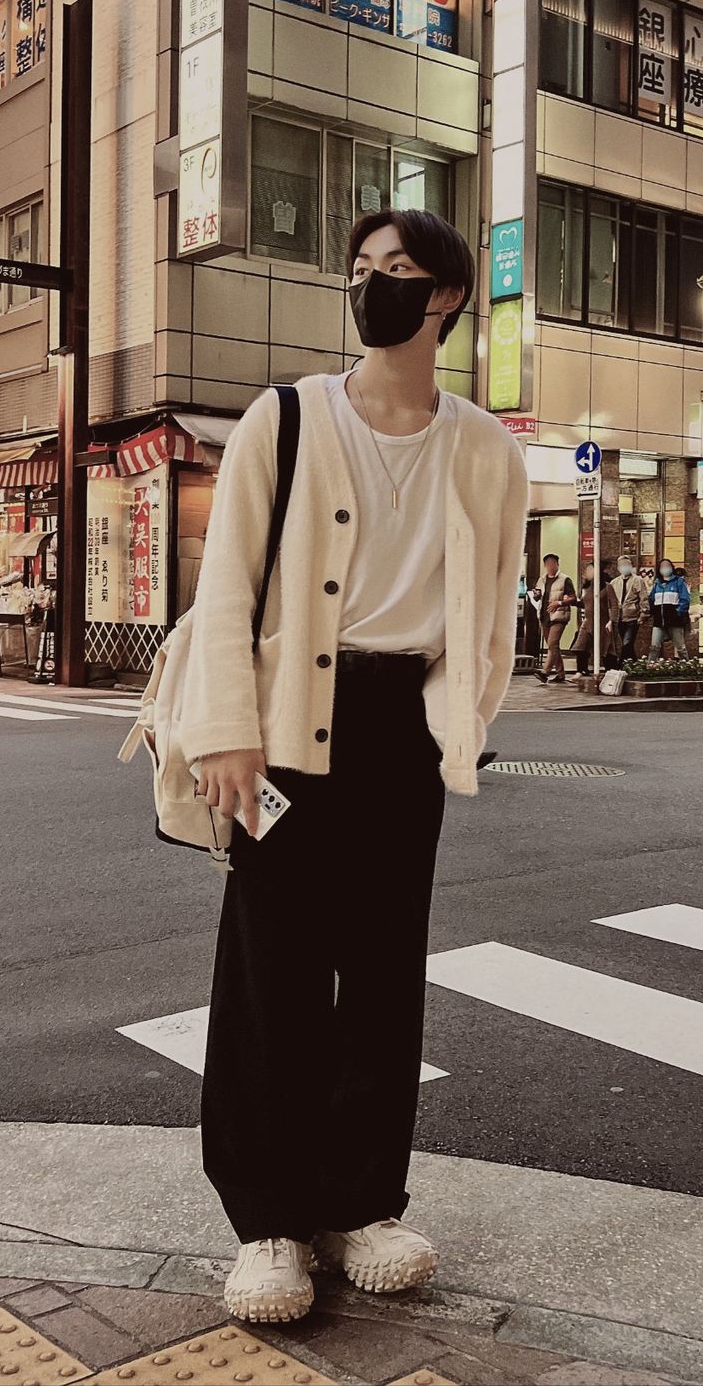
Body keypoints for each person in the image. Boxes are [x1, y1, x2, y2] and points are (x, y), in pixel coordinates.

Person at [180, 208, 528, 1324]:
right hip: (283, 722)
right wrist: (226, 728)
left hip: (398, 728)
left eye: (399, 271)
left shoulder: (485, 446)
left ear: (446, 300)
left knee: (381, 974)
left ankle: (360, 1200)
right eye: (362, 268)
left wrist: (452, 723)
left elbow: (485, 616)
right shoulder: (284, 417)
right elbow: (226, 584)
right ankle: (270, 1221)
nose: (373, 285)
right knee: (272, 971)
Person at [530, 553, 576, 683]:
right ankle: (561, 674)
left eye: (553, 563)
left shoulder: (565, 579)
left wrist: (560, 603)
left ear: (557, 564)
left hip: (559, 616)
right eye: (548, 563)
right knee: (553, 647)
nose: (550, 566)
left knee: (552, 643)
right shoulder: (542, 579)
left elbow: (573, 597)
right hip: (545, 616)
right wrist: (536, 595)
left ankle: (545, 672)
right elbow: (537, 596)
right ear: (545, 565)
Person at [573, 564, 618, 675]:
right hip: (588, 622)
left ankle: (611, 672)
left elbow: (615, 605)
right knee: (581, 646)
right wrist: (570, 601)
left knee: (606, 647)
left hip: (602, 622)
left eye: (590, 570)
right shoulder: (587, 588)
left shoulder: (607, 587)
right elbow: (584, 604)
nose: (587, 572)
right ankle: (581, 670)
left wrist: (612, 620)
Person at [648, 558, 690, 662]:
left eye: (667, 565)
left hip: (675, 620)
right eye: (662, 566)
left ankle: (687, 667)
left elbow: (685, 599)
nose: (665, 568)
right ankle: (650, 667)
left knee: (680, 647)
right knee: (654, 646)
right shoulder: (657, 584)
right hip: (659, 620)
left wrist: (678, 612)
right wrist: (653, 612)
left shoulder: (679, 582)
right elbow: (651, 599)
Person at [609, 556, 649, 662]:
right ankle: (633, 664)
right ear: (618, 567)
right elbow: (611, 601)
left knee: (627, 641)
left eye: (627, 564)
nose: (625, 567)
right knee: (624, 643)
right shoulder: (614, 582)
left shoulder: (638, 580)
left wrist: (643, 614)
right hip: (618, 617)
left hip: (632, 616)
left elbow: (643, 597)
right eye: (622, 565)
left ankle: (620, 664)